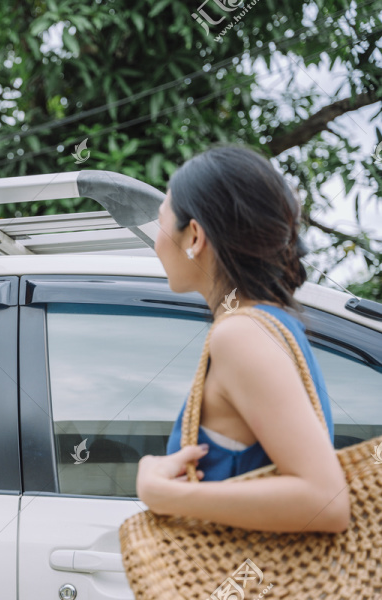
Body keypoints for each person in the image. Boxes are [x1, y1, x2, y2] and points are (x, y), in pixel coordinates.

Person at [135, 145, 350, 534]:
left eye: (160, 222)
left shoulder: (240, 334)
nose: (156, 242)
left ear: (194, 235)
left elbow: (326, 501)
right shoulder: (275, 323)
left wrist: (161, 492)